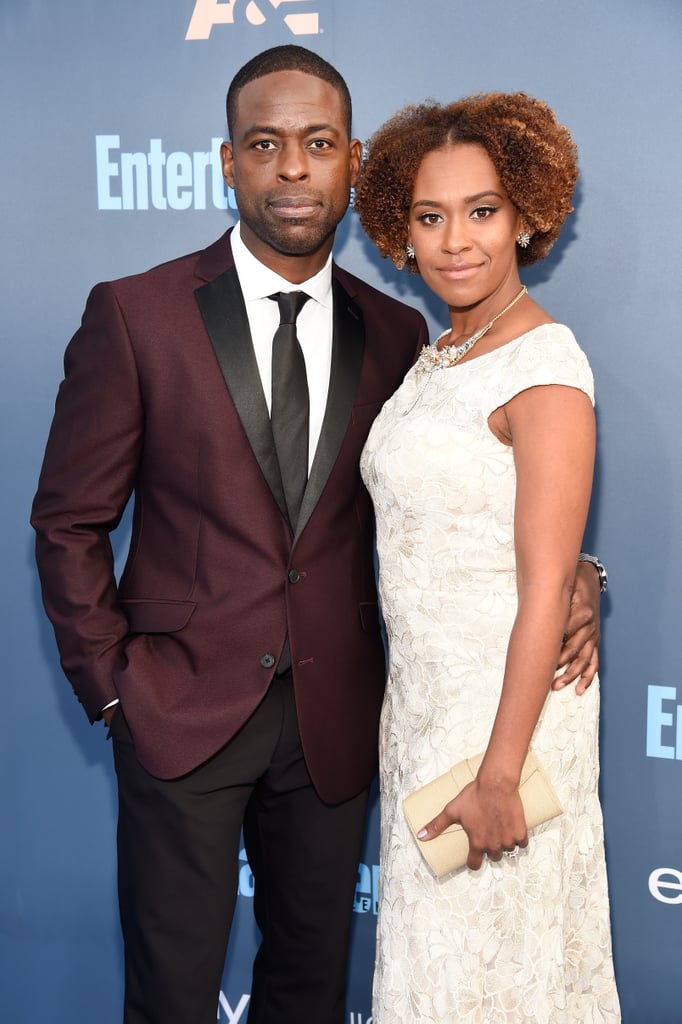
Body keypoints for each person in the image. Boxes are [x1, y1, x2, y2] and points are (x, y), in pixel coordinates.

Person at [31, 46, 603, 1024]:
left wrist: (574, 573)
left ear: (351, 163)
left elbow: (460, 490)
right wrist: (115, 689)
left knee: (309, 990)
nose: (293, 167)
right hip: (179, 714)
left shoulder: (400, 335)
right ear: (227, 164)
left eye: (319, 144)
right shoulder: (136, 314)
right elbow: (68, 518)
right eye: (265, 144)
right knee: (169, 997)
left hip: (338, 725)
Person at [355, 93, 620, 1022]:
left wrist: (502, 771)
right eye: (430, 217)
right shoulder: (443, 353)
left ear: (526, 217)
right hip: (425, 716)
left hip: (504, 731)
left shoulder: (544, 365)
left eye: (482, 211)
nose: (454, 241)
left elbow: (548, 579)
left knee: (497, 981)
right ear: (401, 227)